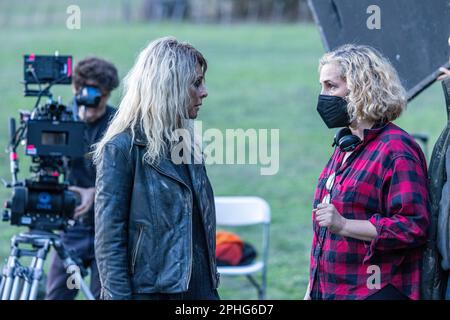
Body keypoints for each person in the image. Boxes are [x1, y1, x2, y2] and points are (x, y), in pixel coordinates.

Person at [93, 37, 220, 300]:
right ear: (168, 87)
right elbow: (109, 242)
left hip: (199, 291)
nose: (204, 91)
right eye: (196, 83)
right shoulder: (121, 149)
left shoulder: (187, 144)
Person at [305, 44, 430, 300]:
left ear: (360, 89)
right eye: (322, 87)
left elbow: (414, 226)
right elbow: (323, 230)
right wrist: (311, 289)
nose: (323, 96)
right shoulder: (345, 145)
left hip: (375, 291)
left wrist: (345, 224)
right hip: (332, 289)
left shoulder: (396, 149)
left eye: (331, 86)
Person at [45, 57, 119, 300]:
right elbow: (46, 171)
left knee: (105, 295)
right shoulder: (59, 121)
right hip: (73, 225)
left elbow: (131, 178)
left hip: (110, 228)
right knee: (57, 294)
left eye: (101, 97)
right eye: (87, 93)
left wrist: (95, 192)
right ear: (76, 89)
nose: (93, 104)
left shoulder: (119, 124)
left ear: (108, 95)